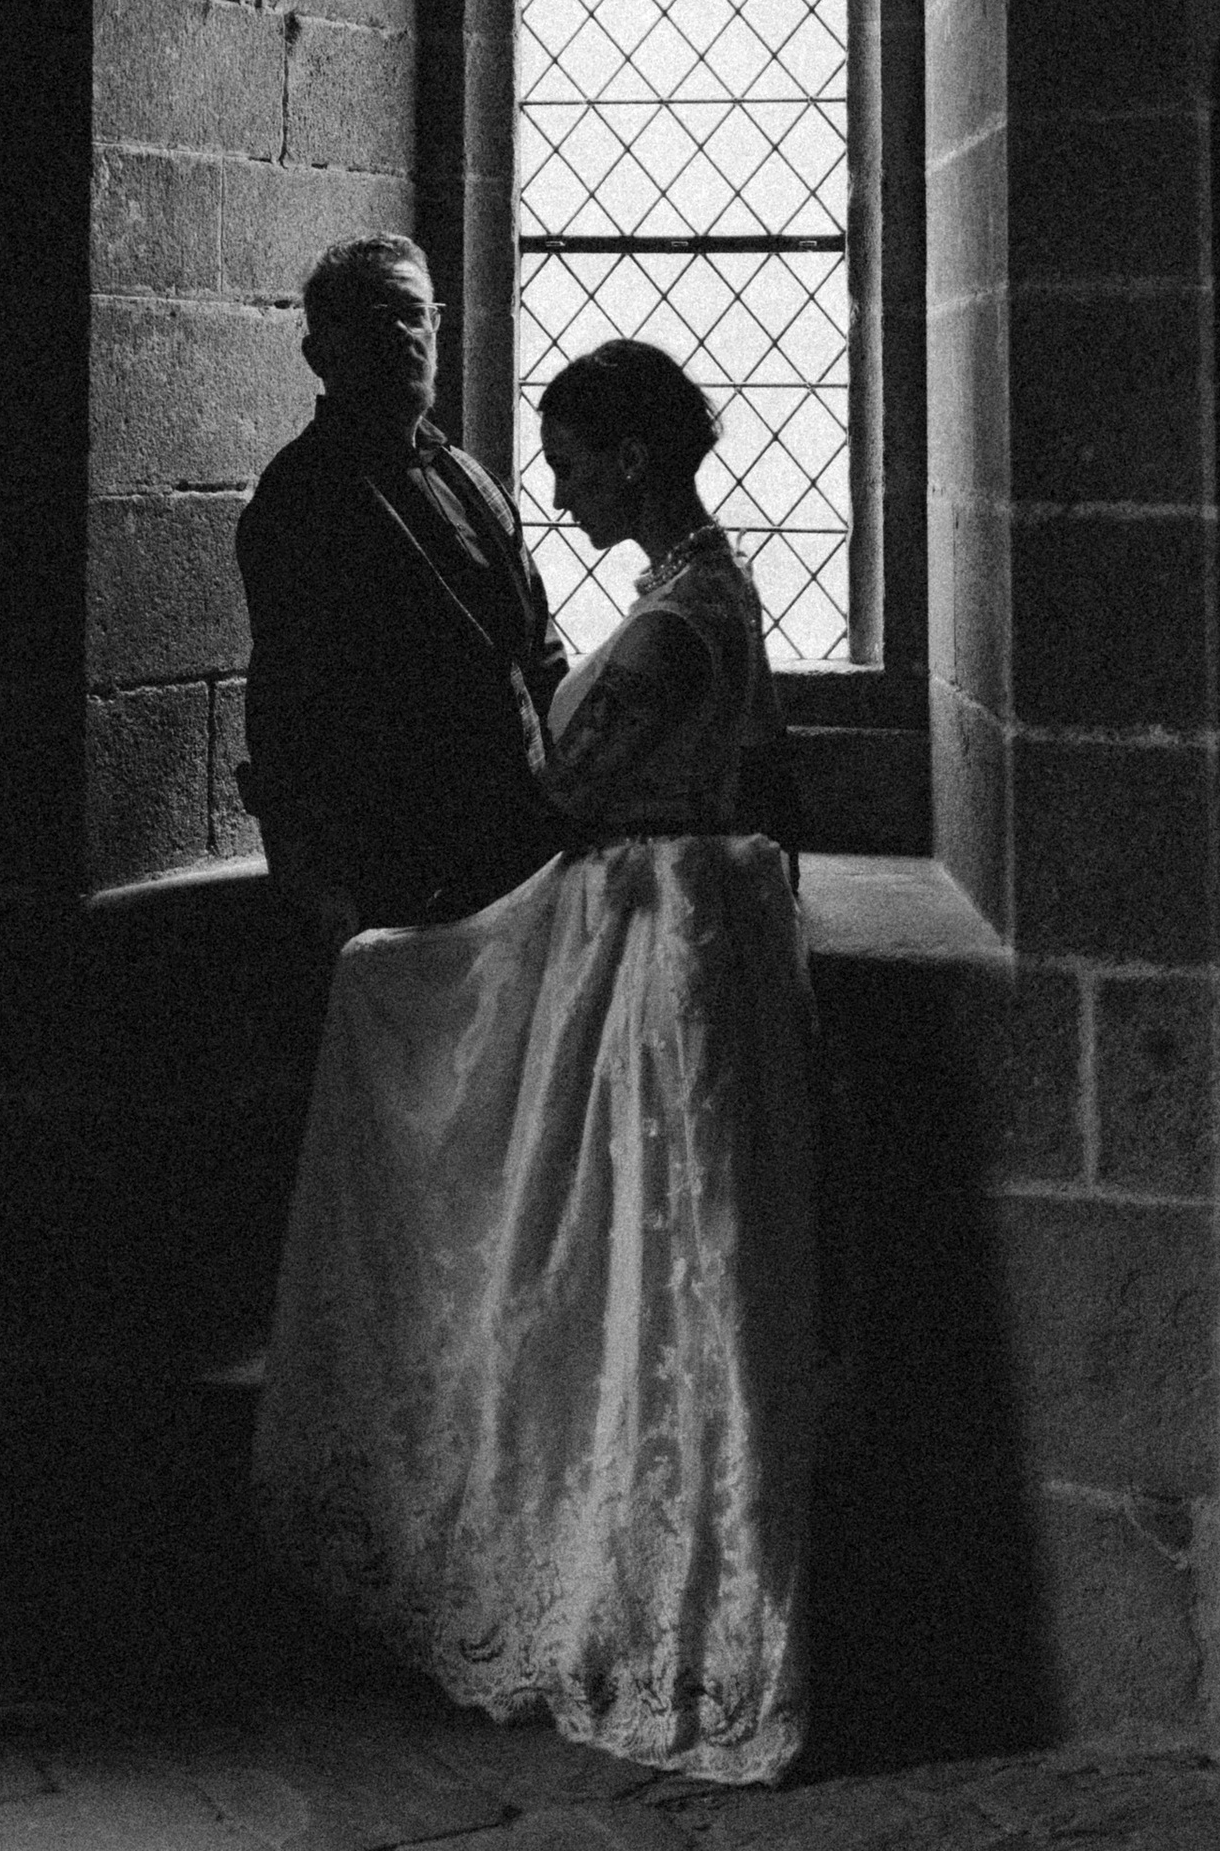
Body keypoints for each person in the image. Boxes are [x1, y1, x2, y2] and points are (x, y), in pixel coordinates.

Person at [251, 337, 819, 1787]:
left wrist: (510, 698)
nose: (554, 482)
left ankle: (651, 1608)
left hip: (652, 956)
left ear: (631, 456)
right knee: (646, 1270)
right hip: (681, 931)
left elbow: (562, 788)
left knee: (628, 1258)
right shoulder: (700, 586)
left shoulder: (674, 623)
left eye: (569, 453)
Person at [235, 234, 567, 948]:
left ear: (438, 326)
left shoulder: (469, 479)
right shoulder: (302, 498)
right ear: (321, 354)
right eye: (372, 317)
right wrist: (314, 875)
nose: (400, 334)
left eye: (413, 313)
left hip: (512, 850)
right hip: (393, 864)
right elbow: (290, 704)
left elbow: (537, 649)